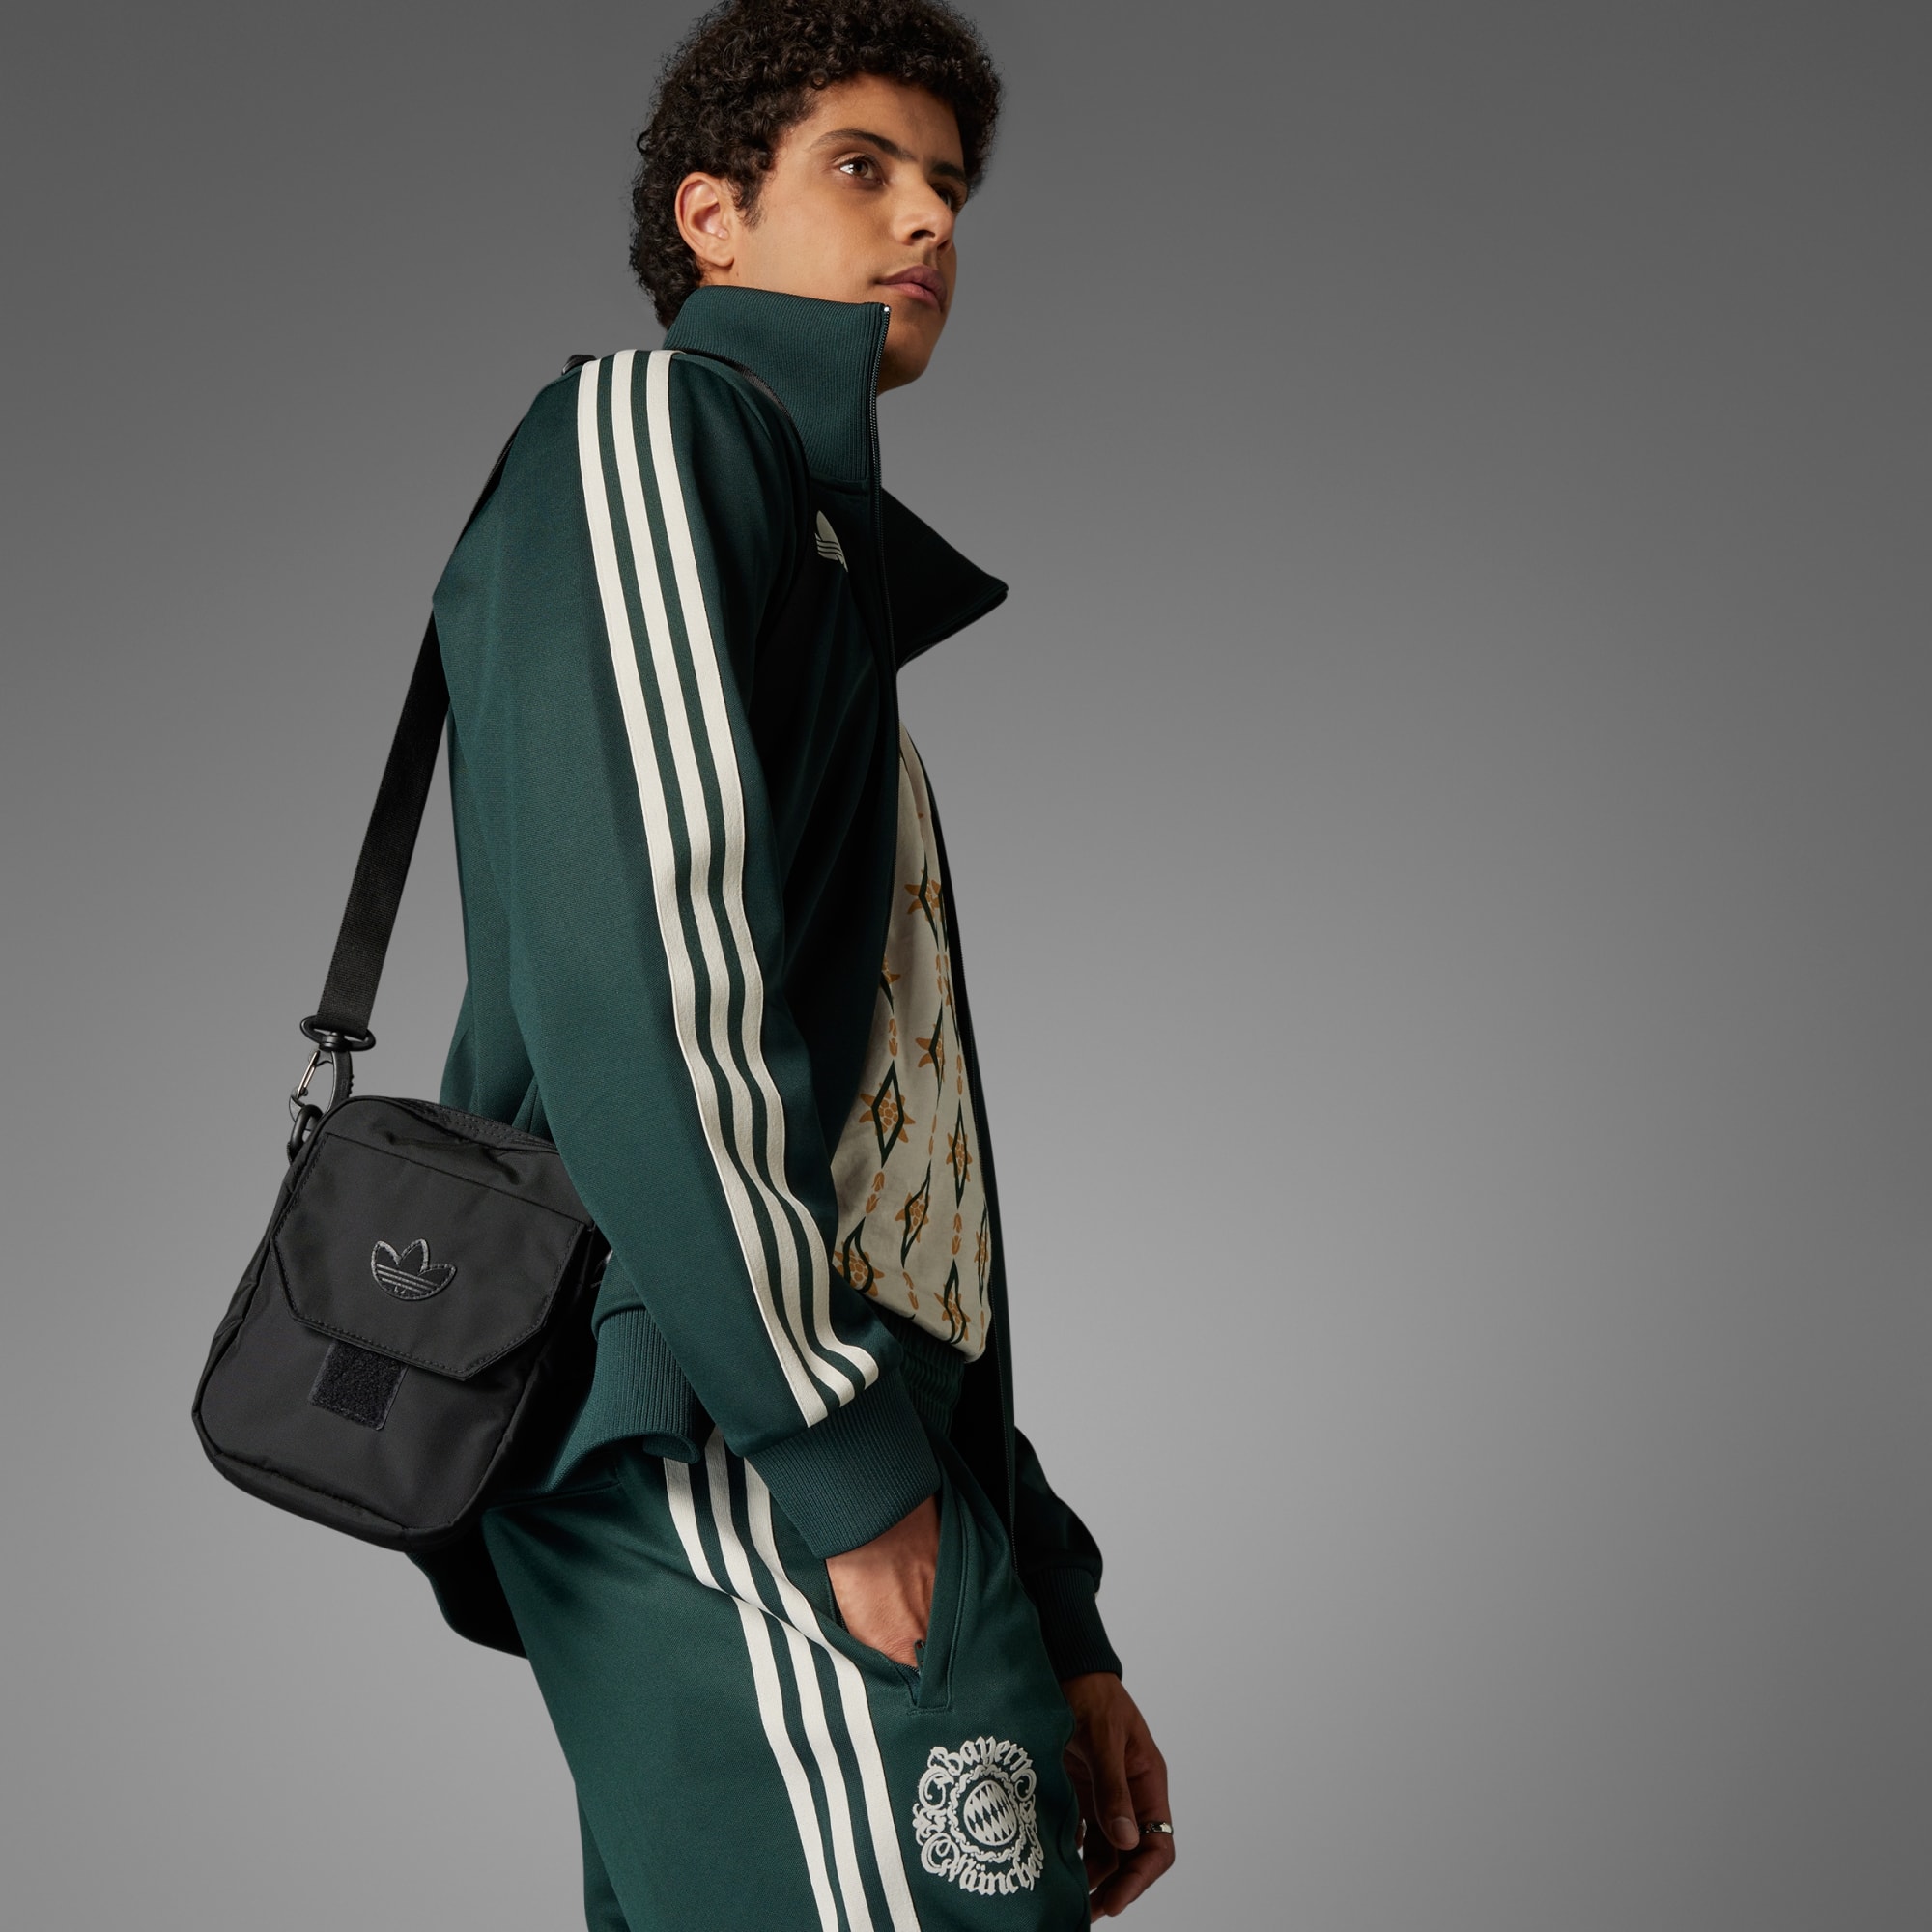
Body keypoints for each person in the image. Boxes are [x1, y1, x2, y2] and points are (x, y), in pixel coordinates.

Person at [418, 2, 1173, 1923]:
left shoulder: (818, 579)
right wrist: (836, 1461)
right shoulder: (650, 432)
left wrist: (1050, 1599)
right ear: (713, 218)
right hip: (729, 1411)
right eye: (863, 166)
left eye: (949, 188)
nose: (928, 219)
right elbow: (640, 973)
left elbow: (905, 1178)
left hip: (831, 1412)